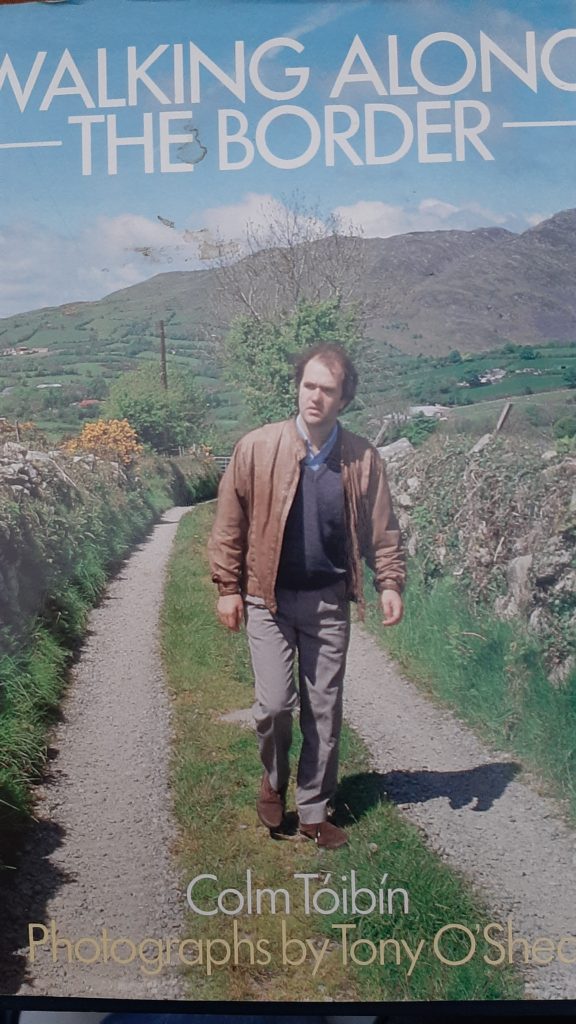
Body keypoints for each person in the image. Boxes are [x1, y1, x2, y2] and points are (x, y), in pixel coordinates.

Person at [208, 343, 405, 849]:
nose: (315, 396)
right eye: (308, 385)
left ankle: (315, 809)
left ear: (344, 399)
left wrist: (388, 582)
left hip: (327, 602)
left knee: (324, 708)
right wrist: (228, 587)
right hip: (266, 599)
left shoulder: (362, 457)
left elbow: (383, 530)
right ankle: (274, 781)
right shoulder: (257, 447)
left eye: (327, 390)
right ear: (298, 387)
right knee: (275, 704)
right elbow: (229, 521)